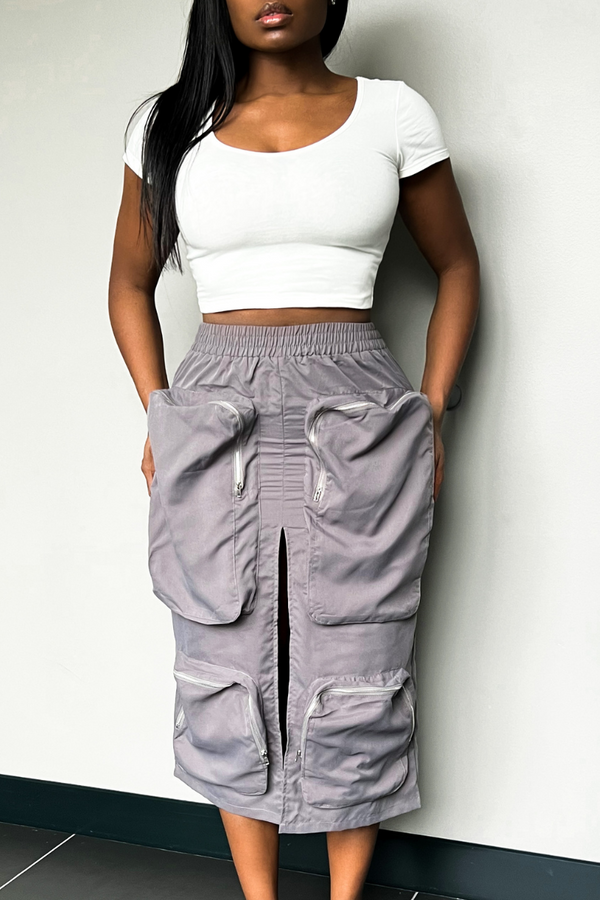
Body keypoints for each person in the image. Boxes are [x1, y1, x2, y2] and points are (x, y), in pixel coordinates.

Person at [109, 1, 480, 898]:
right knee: (223, 654)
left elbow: (459, 265)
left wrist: (432, 410)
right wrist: (158, 411)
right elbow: (127, 280)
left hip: (354, 407)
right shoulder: (166, 125)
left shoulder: (394, 113)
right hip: (217, 410)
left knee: (359, 658)